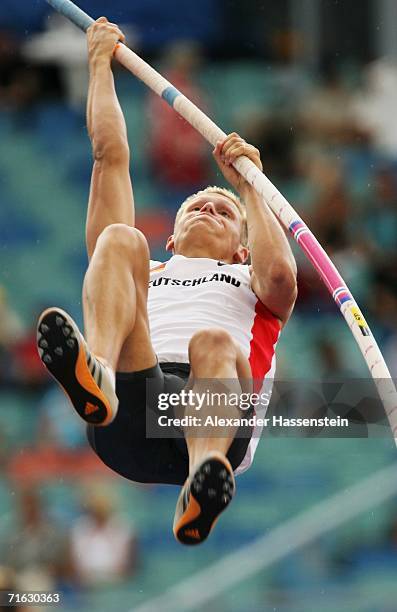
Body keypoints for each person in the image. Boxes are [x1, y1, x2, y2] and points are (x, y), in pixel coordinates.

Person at [36, 18, 297, 545]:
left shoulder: (252, 278)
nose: (208, 206)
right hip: (132, 406)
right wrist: (99, 66)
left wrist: (249, 187)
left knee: (214, 342)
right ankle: (99, 374)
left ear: (240, 246)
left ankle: (203, 481)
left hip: (214, 419)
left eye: (222, 210)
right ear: (173, 240)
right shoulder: (149, 270)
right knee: (118, 239)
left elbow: (280, 277)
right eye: (196, 206)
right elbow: (109, 156)